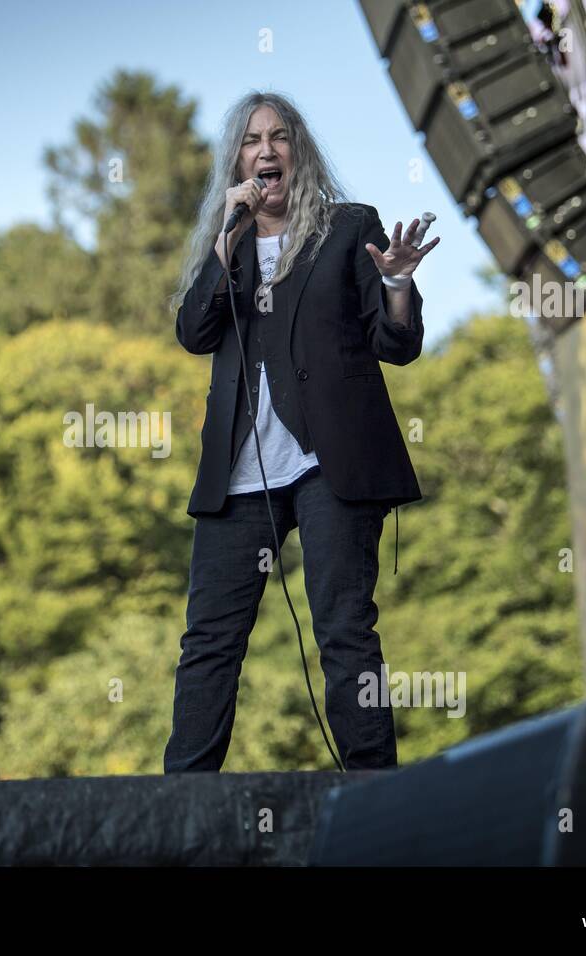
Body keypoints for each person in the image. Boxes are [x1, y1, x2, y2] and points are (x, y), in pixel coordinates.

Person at [164, 91, 439, 772]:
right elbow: (195, 331)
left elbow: (395, 344)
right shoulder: (227, 243)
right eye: (252, 140)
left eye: (279, 137)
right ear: (238, 161)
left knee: (344, 628)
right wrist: (230, 234)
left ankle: (375, 790)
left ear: (298, 151)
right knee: (209, 639)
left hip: (331, 460)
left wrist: (398, 284)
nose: (266, 150)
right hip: (240, 470)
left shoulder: (348, 228)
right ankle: (180, 800)